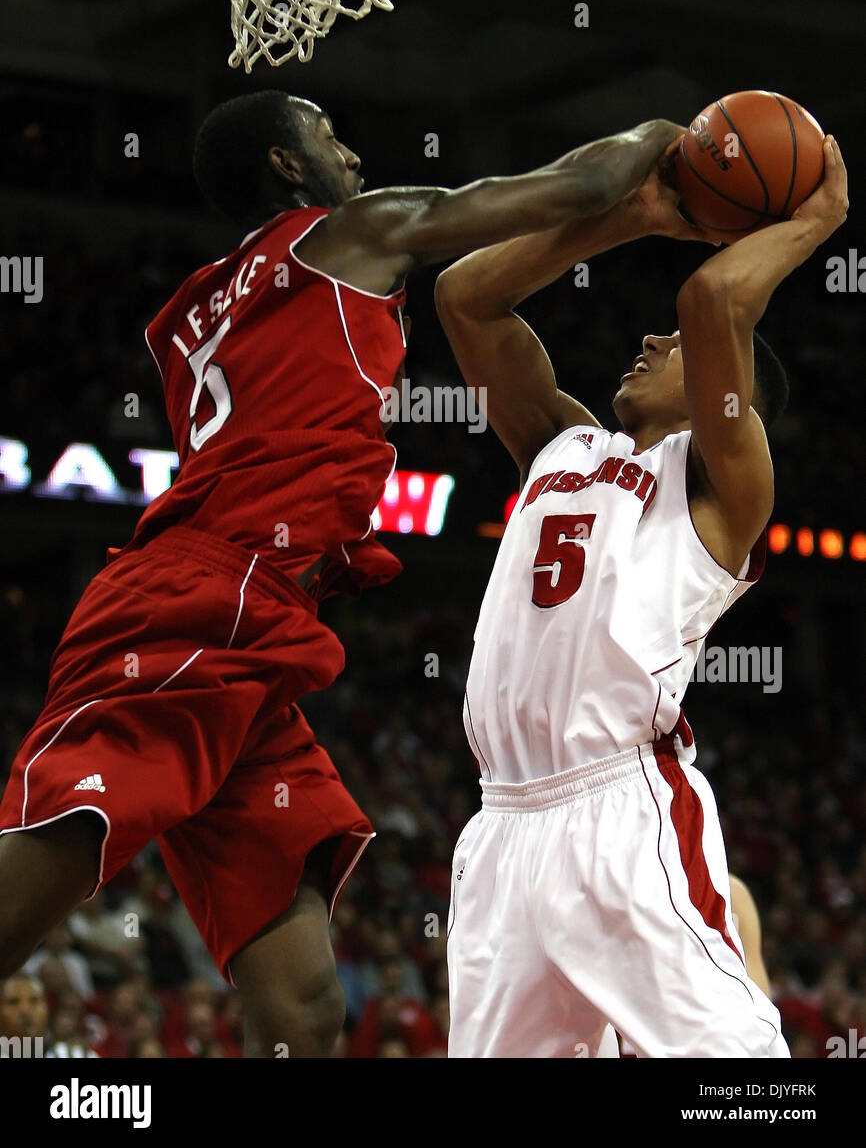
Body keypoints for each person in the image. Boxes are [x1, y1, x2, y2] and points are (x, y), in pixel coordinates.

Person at [0, 90, 687, 1058]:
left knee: (305, 1002)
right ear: (286, 166)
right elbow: (567, 184)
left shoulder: (195, 301)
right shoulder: (344, 233)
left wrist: (631, 216)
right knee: (75, 828)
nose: (354, 155)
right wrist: (673, 140)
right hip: (213, 586)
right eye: (328, 136)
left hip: (252, 612)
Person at [436, 134, 848, 1057]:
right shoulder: (560, 443)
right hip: (500, 824)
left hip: (620, 807)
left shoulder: (719, 485)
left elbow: (709, 301)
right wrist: (629, 217)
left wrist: (816, 221)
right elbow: (465, 295)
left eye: (678, 353)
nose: (654, 340)